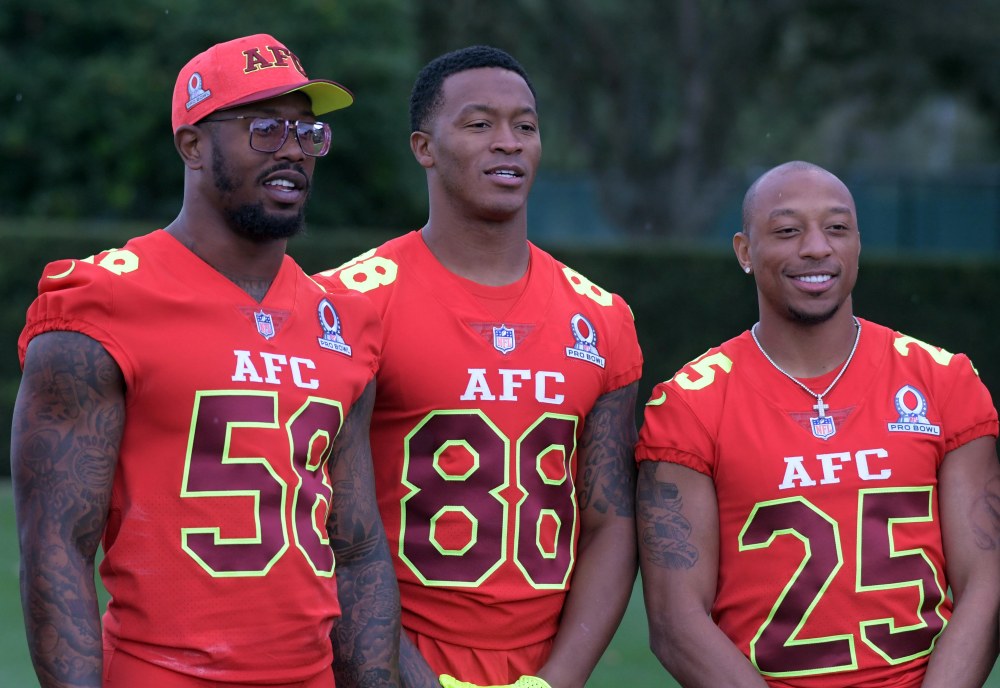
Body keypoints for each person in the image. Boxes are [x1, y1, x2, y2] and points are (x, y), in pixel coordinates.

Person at [11, 33, 401, 688]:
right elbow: (57, 549)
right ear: (191, 144)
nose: (293, 150)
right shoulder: (103, 302)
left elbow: (357, 549)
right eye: (265, 128)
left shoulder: (345, 319)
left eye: (308, 133)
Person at [313, 46, 643, 688]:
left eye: (525, 126)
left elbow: (609, 523)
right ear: (423, 147)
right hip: (384, 667)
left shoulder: (602, 318)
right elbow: (318, 523)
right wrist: (403, 673)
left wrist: (556, 681)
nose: (508, 143)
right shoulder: (349, 304)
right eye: (479, 124)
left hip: (541, 666)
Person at [635, 160, 1000, 687]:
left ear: (857, 243)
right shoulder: (689, 405)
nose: (816, 248)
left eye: (837, 228)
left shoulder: (944, 381)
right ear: (744, 251)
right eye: (787, 231)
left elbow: (985, 583)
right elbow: (675, 621)